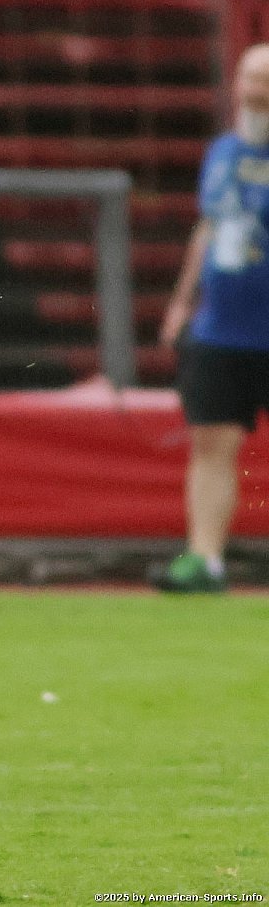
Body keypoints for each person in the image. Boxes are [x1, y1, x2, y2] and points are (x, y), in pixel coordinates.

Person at [154, 42, 269, 594]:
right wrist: (183, 300)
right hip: (222, 327)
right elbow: (208, 227)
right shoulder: (222, 151)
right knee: (211, 443)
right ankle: (205, 557)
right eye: (251, 77)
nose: (257, 90)